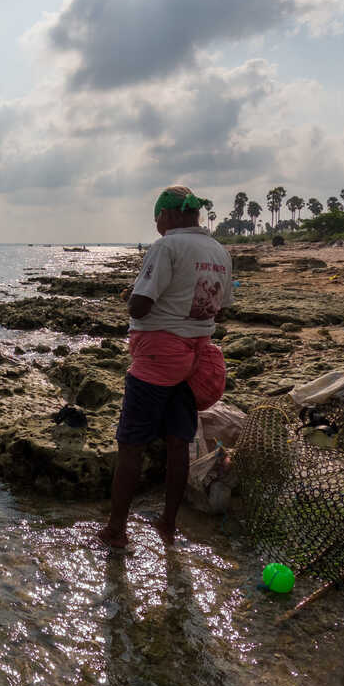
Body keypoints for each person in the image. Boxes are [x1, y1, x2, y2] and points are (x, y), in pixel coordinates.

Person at [97, 185, 233, 550]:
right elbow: (219, 305)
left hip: (158, 358)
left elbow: (140, 307)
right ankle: (168, 524)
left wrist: (132, 295)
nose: (156, 223)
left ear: (169, 215)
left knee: (131, 445)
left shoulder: (167, 246)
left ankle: (116, 531)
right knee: (178, 444)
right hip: (196, 356)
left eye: (157, 216)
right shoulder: (218, 251)